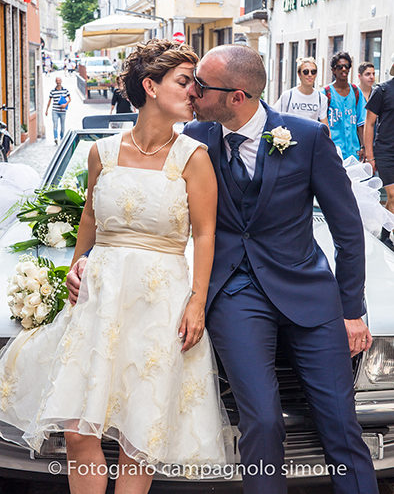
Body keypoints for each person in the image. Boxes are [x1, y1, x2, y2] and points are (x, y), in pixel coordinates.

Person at [68, 44, 378, 494]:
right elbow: (120, 204)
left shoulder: (307, 137)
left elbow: (348, 230)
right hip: (235, 295)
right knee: (262, 420)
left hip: (309, 294)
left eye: (202, 85)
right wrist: (89, 262)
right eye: (187, 82)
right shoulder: (193, 139)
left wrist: (352, 311)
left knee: (340, 421)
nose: (193, 92)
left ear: (236, 96)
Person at [0, 39, 231, 494]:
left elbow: (205, 234)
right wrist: (74, 263)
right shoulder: (101, 153)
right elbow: (90, 214)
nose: (194, 94)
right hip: (98, 299)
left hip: (159, 300)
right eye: (184, 82)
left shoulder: (194, 159)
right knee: (77, 430)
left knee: (136, 435)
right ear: (150, 86)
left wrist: (197, 302)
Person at [364, 53, 394, 251]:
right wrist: (370, 155)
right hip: (386, 152)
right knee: (393, 195)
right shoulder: (382, 90)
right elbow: (369, 123)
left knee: (392, 199)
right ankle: (386, 237)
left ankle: (384, 235)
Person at [321, 51, 366, 160]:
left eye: (346, 66)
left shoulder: (356, 92)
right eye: (340, 67)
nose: (344, 69)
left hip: (353, 152)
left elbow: (361, 123)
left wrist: (364, 147)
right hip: (332, 152)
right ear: (333, 70)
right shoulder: (325, 93)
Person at [274, 56, 329, 127]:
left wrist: (328, 138)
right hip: (290, 137)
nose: (310, 75)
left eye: (313, 72)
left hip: (311, 137)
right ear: (299, 74)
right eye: (306, 72)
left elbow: (325, 125)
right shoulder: (288, 96)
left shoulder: (321, 98)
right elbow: (275, 117)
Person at [45, 77, 71, 145]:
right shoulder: (52, 91)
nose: (58, 82)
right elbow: (49, 101)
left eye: (59, 80)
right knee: (55, 125)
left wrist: (65, 104)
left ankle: (62, 138)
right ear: (55, 82)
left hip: (63, 111)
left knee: (62, 126)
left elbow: (70, 99)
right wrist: (46, 110)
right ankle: (55, 138)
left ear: (61, 81)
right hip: (55, 111)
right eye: (57, 80)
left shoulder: (65, 90)